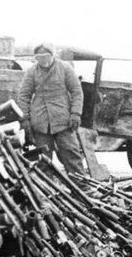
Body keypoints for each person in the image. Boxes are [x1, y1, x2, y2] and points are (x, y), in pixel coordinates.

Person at [17, 42, 85, 176]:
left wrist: (76, 113)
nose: (43, 60)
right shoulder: (32, 71)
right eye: (39, 57)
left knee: (71, 153)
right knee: (43, 157)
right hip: (40, 120)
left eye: (46, 56)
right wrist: (25, 118)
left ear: (53, 55)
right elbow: (24, 96)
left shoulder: (65, 68)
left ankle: (80, 184)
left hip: (63, 119)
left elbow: (77, 92)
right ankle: (45, 185)